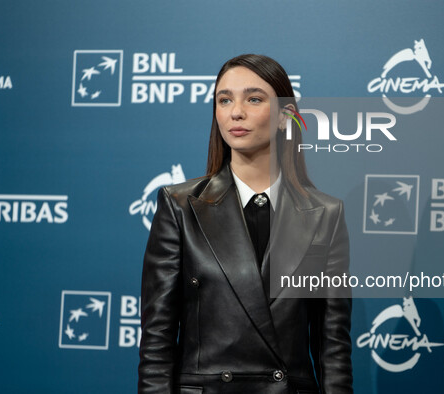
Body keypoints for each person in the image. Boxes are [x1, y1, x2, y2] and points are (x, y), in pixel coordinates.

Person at [138, 54, 353, 394]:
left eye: (253, 99)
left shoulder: (326, 215)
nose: (236, 112)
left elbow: (333, 349)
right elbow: (156, 342)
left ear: (286, 117)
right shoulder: (179, 206)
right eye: (224, 100)